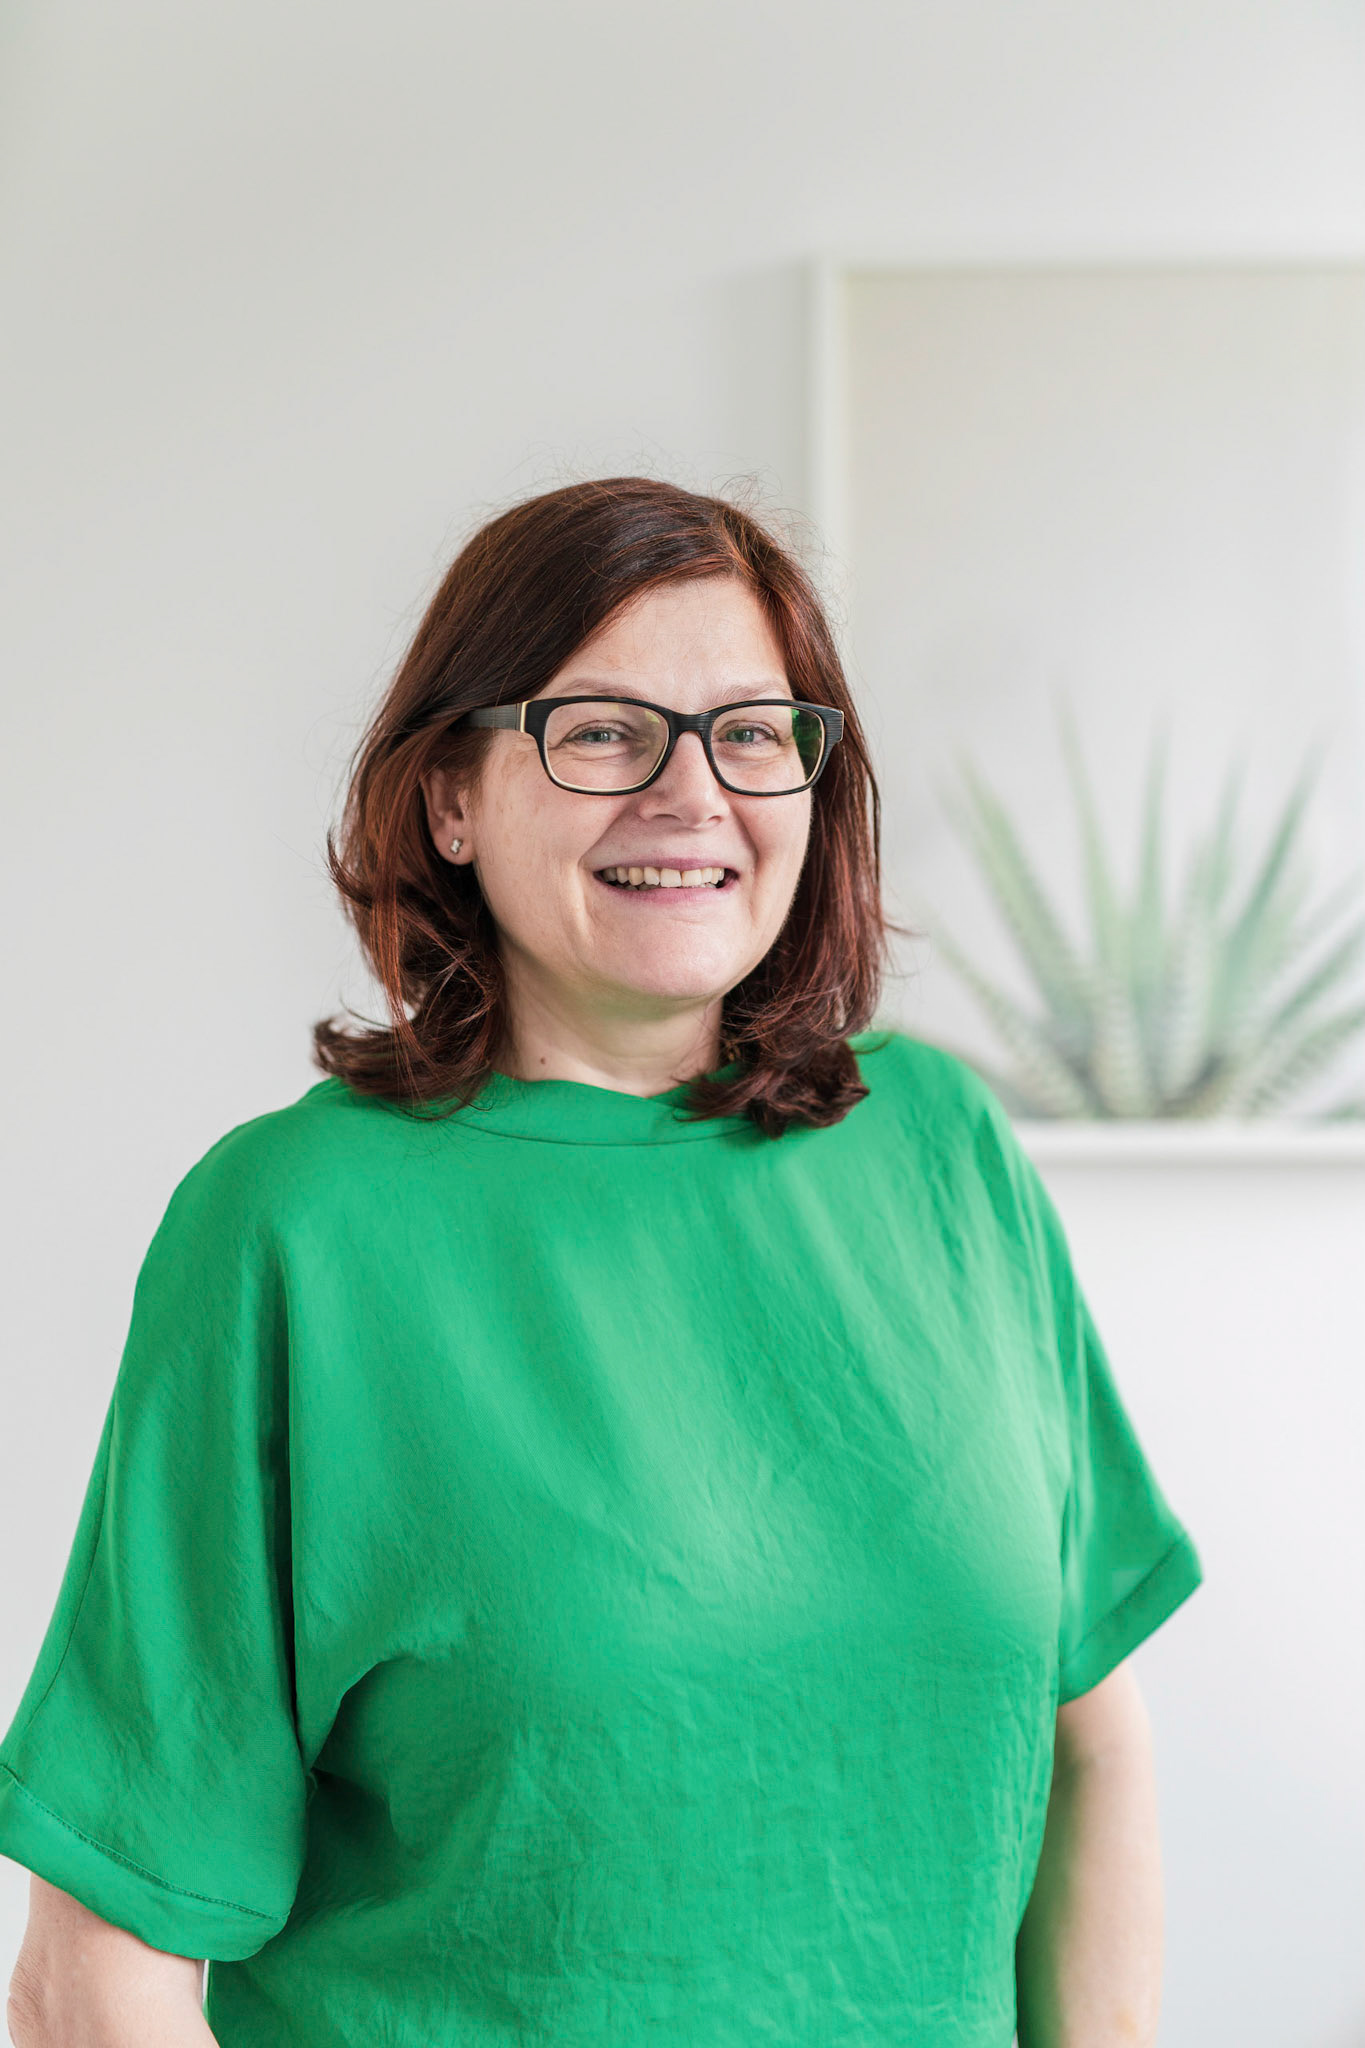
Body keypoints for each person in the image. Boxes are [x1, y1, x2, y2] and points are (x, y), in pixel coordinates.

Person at [1, 476, 1203, 2047]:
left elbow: (1087, 1736)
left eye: (751, 733)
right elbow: (99, 1970)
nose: (690, 793)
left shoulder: (937, 1146)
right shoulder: (293, 1227)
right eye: (603, 731)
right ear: (449, 797)